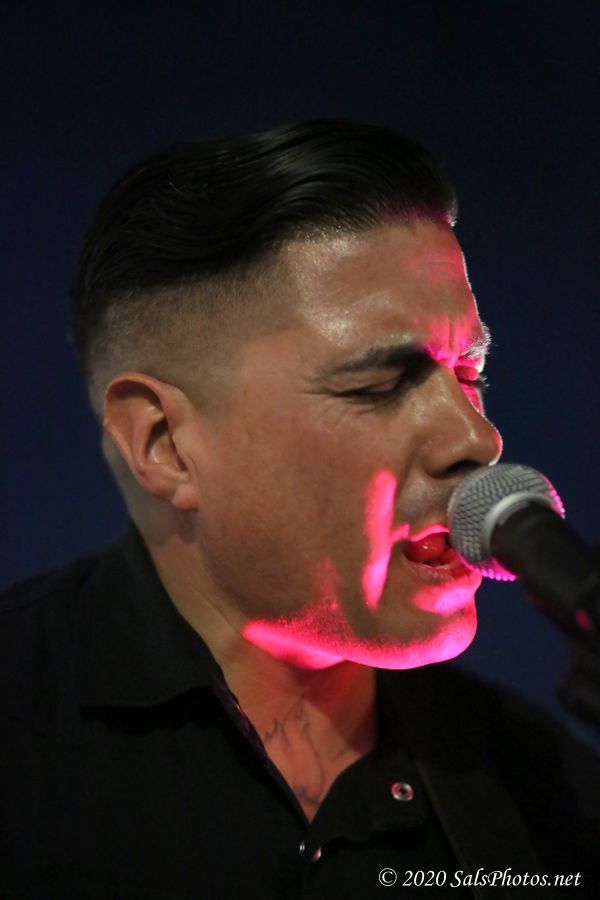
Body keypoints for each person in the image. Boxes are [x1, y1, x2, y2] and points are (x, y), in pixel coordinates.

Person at [1, 121, 597, 899]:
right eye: (379, 385)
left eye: (468, 373)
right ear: (164, 444)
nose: (477, 438)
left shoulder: (550, 792)